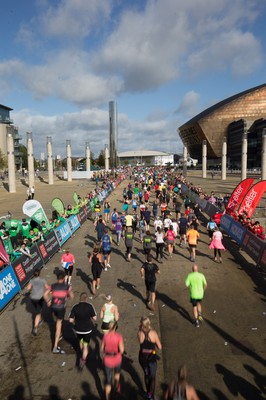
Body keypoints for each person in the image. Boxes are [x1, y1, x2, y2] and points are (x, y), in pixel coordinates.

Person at [44, 272, 74, 353]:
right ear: (64, 278)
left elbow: (45, 294)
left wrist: (48, 301)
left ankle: (59, 333)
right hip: (61, 308)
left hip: (53, 307)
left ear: (57, 278)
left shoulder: (53, 286)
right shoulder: (67, 286)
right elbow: (72, 296)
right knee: (59, 323)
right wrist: (67, 294)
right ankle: (55, 346)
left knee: (57, 320)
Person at [69, 292, 97, 369]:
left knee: (80, 341)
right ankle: (83, 359)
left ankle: (82, 352)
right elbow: (95, 318)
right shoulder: (89, 306)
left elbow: (70, 320)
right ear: (86, 299)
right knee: (85, 345)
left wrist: (75, 320)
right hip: (87, 330)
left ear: (80, 299)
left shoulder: (75, 307)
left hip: (78, 329)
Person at [138, 316, 162, 400]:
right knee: (153, 377)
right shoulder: (153, 333)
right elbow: (160, 347)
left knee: (146, 374)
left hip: (142, 357)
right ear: (149, 323)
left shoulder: (139, 333)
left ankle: (148, 392)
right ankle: (151, 396)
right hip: (151, 357)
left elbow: (141, 343)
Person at [101, 321, 124, 400]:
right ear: (116, 327)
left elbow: (101, 349)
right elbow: (121, 350)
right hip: (117, 359)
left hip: (107, 360)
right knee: (117, 375)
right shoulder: (119, 336)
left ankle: (107, 398)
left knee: (108, 380)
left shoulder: (105, 337)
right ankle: (117, 391)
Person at [26, 268, 49, 336]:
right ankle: (35, 327)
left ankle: (40, 319)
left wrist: (31, 289)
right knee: (38, 313)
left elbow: (28, 288)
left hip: (33, 299)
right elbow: (47, 287)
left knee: (38, 310)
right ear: (39, 273)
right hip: (40, 298)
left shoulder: (31, 281)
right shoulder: (43, 280)